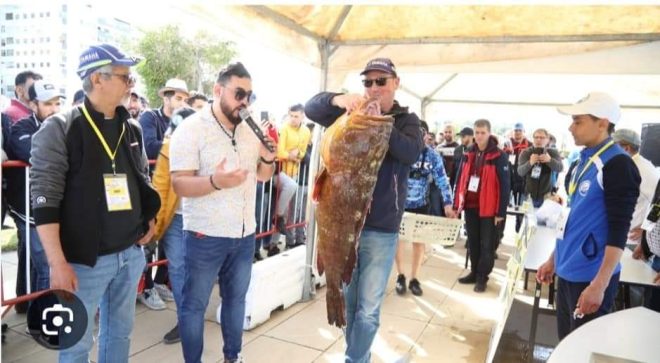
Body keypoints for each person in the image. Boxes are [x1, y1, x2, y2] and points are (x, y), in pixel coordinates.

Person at [30, 43, 160, 361]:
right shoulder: (60, 128)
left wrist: (149, 217)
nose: (131, 85)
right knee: (75, 346)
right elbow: (44, 201)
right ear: (97, 78)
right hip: (83, 263)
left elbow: (141, 178)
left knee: (120, 335)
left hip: (129, 254)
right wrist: (57, 263)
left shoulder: (132, 128)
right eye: (124, 77)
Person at [305, 57, 423, 362]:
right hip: (343, 224)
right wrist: (340, 99)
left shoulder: (406, 120)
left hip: (381, 229)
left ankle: (355, 359)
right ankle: (361, 356)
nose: (373, 88)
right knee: (348, 299)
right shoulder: (348, 113)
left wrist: (379, 122)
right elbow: (312, 108)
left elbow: (410, 152)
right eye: (367, 82)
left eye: (381, 82)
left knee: (368, 308)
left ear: (396, 83)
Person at [169, 62, 277, 363]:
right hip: (205, 234)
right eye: (238, 93)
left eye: (249, 96)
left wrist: (269, 159)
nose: (244, 102)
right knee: (194, 305)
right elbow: (179, 184)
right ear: (218, 90)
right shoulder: (191, 128)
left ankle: (233, 357)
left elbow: (264, 175)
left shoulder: (251, 129)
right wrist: (216, 181)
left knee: (236, 300)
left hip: (244, 233)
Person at [537, 92, 640, 340]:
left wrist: (599, 285)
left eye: (578, 121)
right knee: (565, 342)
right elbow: (573, 217)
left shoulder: (618, 164)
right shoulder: (584, 160)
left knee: (581, 348)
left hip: (590, 278)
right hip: (568, 269)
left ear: (602, 123)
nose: (571, 127)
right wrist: (554, 259)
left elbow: (619, 231)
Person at [7, 80, 65, 296]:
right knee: (46, 266)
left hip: (51, 205)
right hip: (28, 208)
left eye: (57, 103)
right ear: (33, 105)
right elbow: (33, 152)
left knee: (40, 264)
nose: (54, 109)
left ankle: (31, 310)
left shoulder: (63, 124)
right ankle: (42, 323)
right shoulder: (21, 127)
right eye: (48, 104)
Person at [395, 121, 456, 296]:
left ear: (427, 135)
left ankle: (414, 278)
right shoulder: (400, 153)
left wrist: (448, 204)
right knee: (398, 241)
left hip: (421, 205)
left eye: (422, 133)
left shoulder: (432, 156)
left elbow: (443, 180)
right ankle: (400, 275)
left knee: (418, 242)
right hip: (399, 205)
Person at [152, 107, 197, 344]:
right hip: (176, 219)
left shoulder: (209, 147)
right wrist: (155, 222)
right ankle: (186, 322)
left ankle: (193, 316)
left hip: (202, 219)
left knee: (200, 271)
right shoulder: (168, 149)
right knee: (178, 271)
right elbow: (159, 183)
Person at [454, 119, 510, 292]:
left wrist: (501, 211)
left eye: (482, 132)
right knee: (473, 242)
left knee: (487, 244)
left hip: (489, 208)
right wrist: (457, 203)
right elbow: (459, 177)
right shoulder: (468, 152)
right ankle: (473, 272)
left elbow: (505, 185)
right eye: (476, 132)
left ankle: (482, 277)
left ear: (489, 133)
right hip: (470, 205)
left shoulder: (499, 156)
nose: (479, 136)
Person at [612, 129, 660, 245]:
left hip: (631, 242)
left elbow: (659, 202)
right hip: (616, 238)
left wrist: (646, 227)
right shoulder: (623, 165)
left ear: (626, 148)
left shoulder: (643, 169)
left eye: (612, 146)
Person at [276, 103, 311, 246]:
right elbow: (280, 152)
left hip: (295, 173)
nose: (292, 119)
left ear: (303, 116)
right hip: (280, 172)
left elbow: (302, 152)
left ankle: (289, 240)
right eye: (290, 115)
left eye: (296, 116)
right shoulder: (284, 128)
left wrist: (296, 155)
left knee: (294, 210)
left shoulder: (306, 132)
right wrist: (291, 156)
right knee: (280, 209)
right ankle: (274, 239)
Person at [139, 78, 189, 160]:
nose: (183, 104)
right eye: (179, 99)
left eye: (185, 100)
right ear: (166, 100)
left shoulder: (185, 122)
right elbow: (149, 148)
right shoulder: (150, 116)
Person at [517, 128, 564, 208]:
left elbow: (560, 168)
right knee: (525, 219)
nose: (538, 140)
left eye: (542, 137)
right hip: (528, 195)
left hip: (547, 197)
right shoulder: (525, 152)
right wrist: (530, 163)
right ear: (533, 139)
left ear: (547, 139)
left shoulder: (553, 152)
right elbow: (520, 172)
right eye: (536, 137)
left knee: (544, 220)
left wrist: (549, 160)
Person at [503, 122, 531, 232]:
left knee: (523, 209)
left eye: (520, 130)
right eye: (515, 130)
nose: (517, 133)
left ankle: (519, 229)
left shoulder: (530, 145)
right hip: (508, 179)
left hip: (524, 181)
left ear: (524, 132)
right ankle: (500, 233)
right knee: (504, 207)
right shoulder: (507, 144)